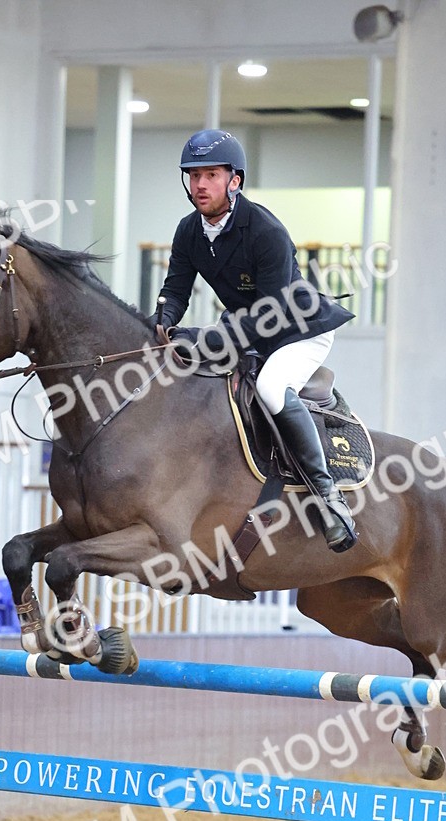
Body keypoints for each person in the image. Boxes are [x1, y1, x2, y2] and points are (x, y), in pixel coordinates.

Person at [154, 128, 358, 553]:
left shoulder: (265, 230)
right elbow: (175, 290)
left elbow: (268, 318)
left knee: (270, 387)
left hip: (298, 329)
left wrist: (204, 338)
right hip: (248, 327)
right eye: (194, 175)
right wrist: (161, 323)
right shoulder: (189, 230)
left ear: (235, 180)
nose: (200, 184)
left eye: (211, 175)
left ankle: (329, 499)